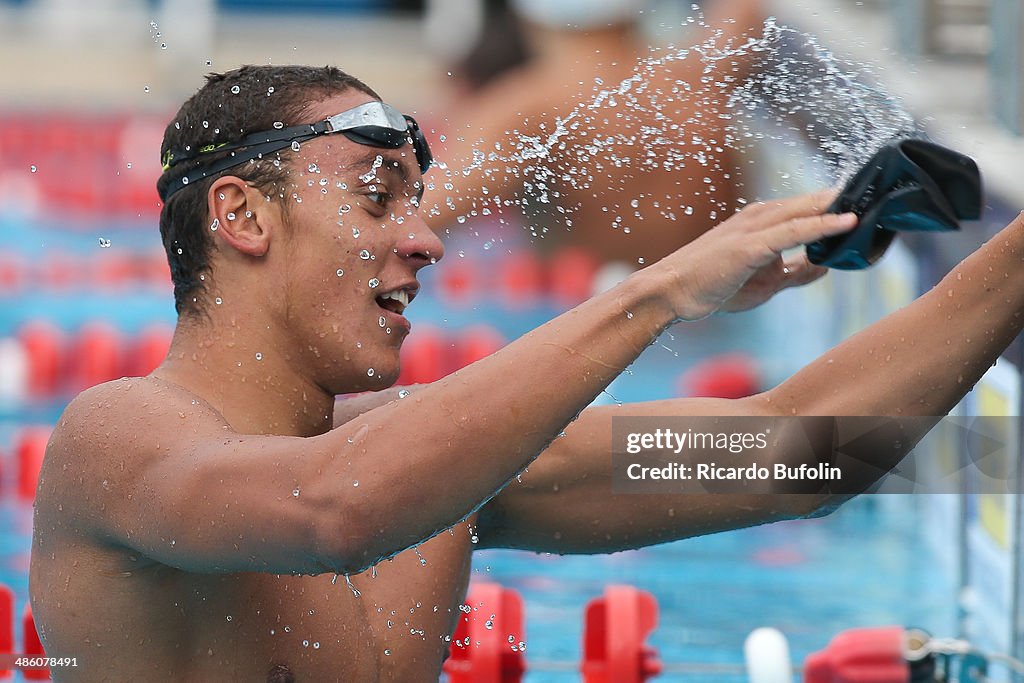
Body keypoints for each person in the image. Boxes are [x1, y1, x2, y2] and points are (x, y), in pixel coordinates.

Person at [28, 64, 1024, 682]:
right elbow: (334, 512)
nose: (424, 240)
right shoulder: (115, 437)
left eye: (419, 204)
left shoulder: (432, 463)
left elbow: (804, 453)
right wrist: (659, 292)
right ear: (241, 217)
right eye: (379, 201)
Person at [424, 0, 767, 269]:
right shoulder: (705, 75)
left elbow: (417, 219)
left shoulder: (530, 110)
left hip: (611, 320)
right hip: (721, 317)